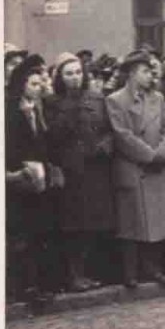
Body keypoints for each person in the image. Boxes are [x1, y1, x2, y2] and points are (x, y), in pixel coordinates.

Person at [45, 52, 114, 292]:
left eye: (77, 73)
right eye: (69, 74)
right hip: (71, 171)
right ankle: (74, 275)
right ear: (60, 77)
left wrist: (106, 144)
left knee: (92, 224)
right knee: (73, 226)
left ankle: (86, 272)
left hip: (95, 169)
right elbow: (54, 136)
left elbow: (108, 128)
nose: (74, 78)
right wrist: (71, 107)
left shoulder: (96, 98)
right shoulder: (53, 102)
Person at [106, 50, 165, 288]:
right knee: (132, 222)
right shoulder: (116, 100)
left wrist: (162, 152)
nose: (151, 75)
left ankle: (153, 269)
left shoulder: (158, 98)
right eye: (146, 71)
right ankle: (131, 273)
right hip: (133, 168)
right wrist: (148, 154)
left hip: (155, 167)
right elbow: (122, 135)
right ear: (133, 73)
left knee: (155, 221)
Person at [6, 54, 60, 305]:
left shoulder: (39, 110)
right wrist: (16, 172)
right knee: (22, 236)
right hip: (19, 180)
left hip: (38, 180)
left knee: (39, 232)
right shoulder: (12, 110)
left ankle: (38, 284)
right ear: (22, 85)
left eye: (40, 85)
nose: (37, 90)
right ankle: (22, 287)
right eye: (33, 85)